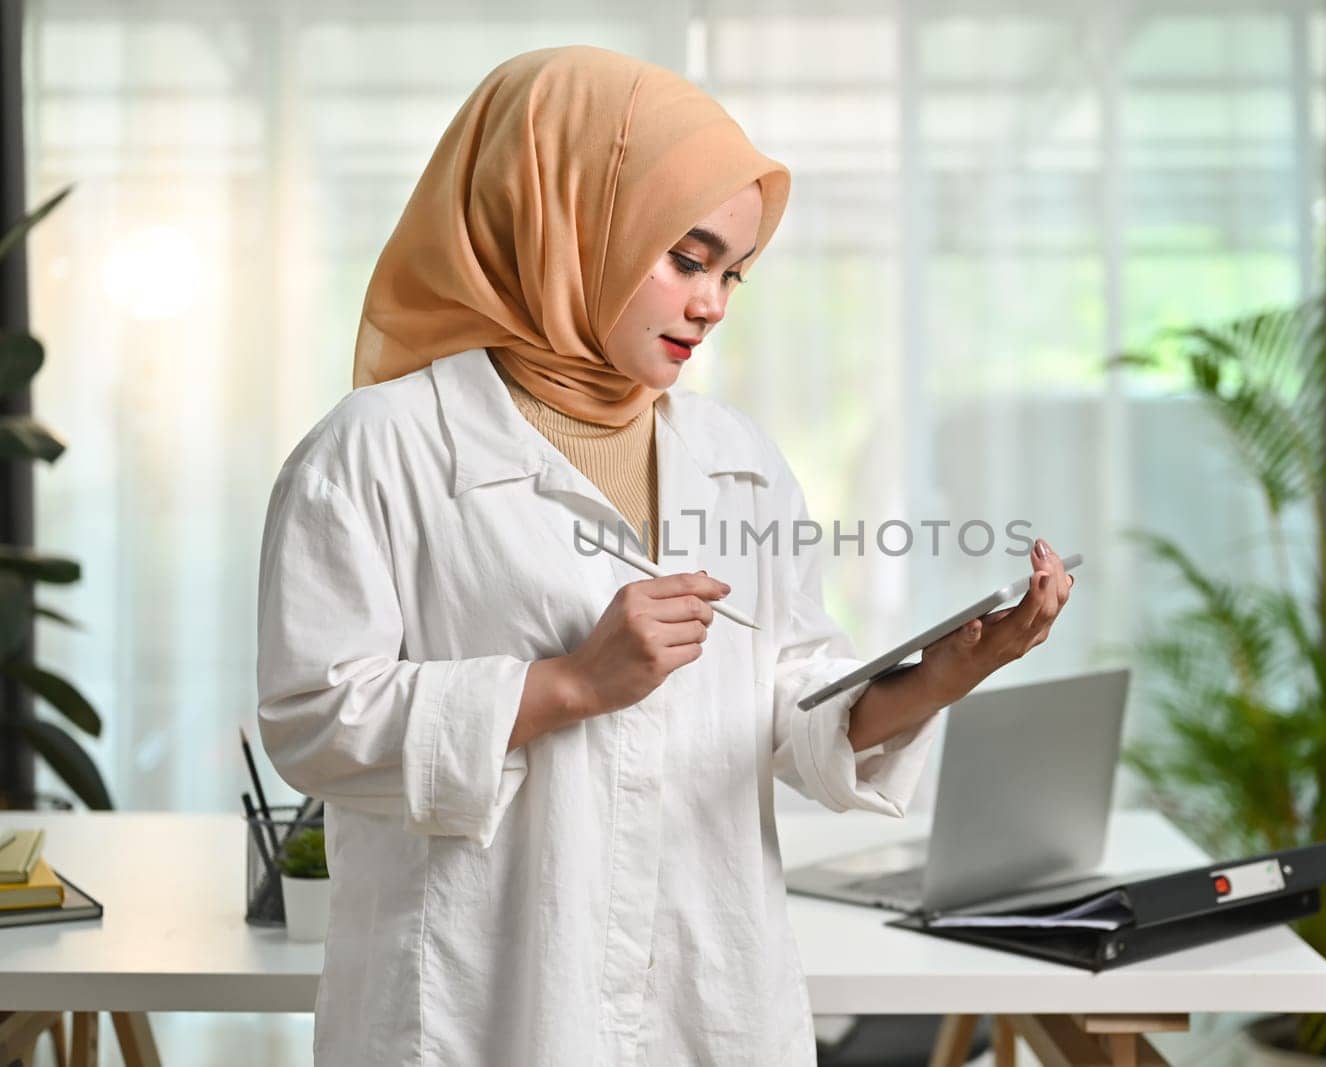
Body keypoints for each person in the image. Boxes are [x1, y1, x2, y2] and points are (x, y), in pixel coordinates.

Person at [255, 44, 1073, 1065]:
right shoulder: (379, 447)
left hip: (704, 994)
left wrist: (953, 668)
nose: (713, 302)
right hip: (484, 1009)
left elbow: (788, 707)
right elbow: (314, 719)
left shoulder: (736, 457)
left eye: (732, 271)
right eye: (686, 258)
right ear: (565, 221)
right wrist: (566, 683)